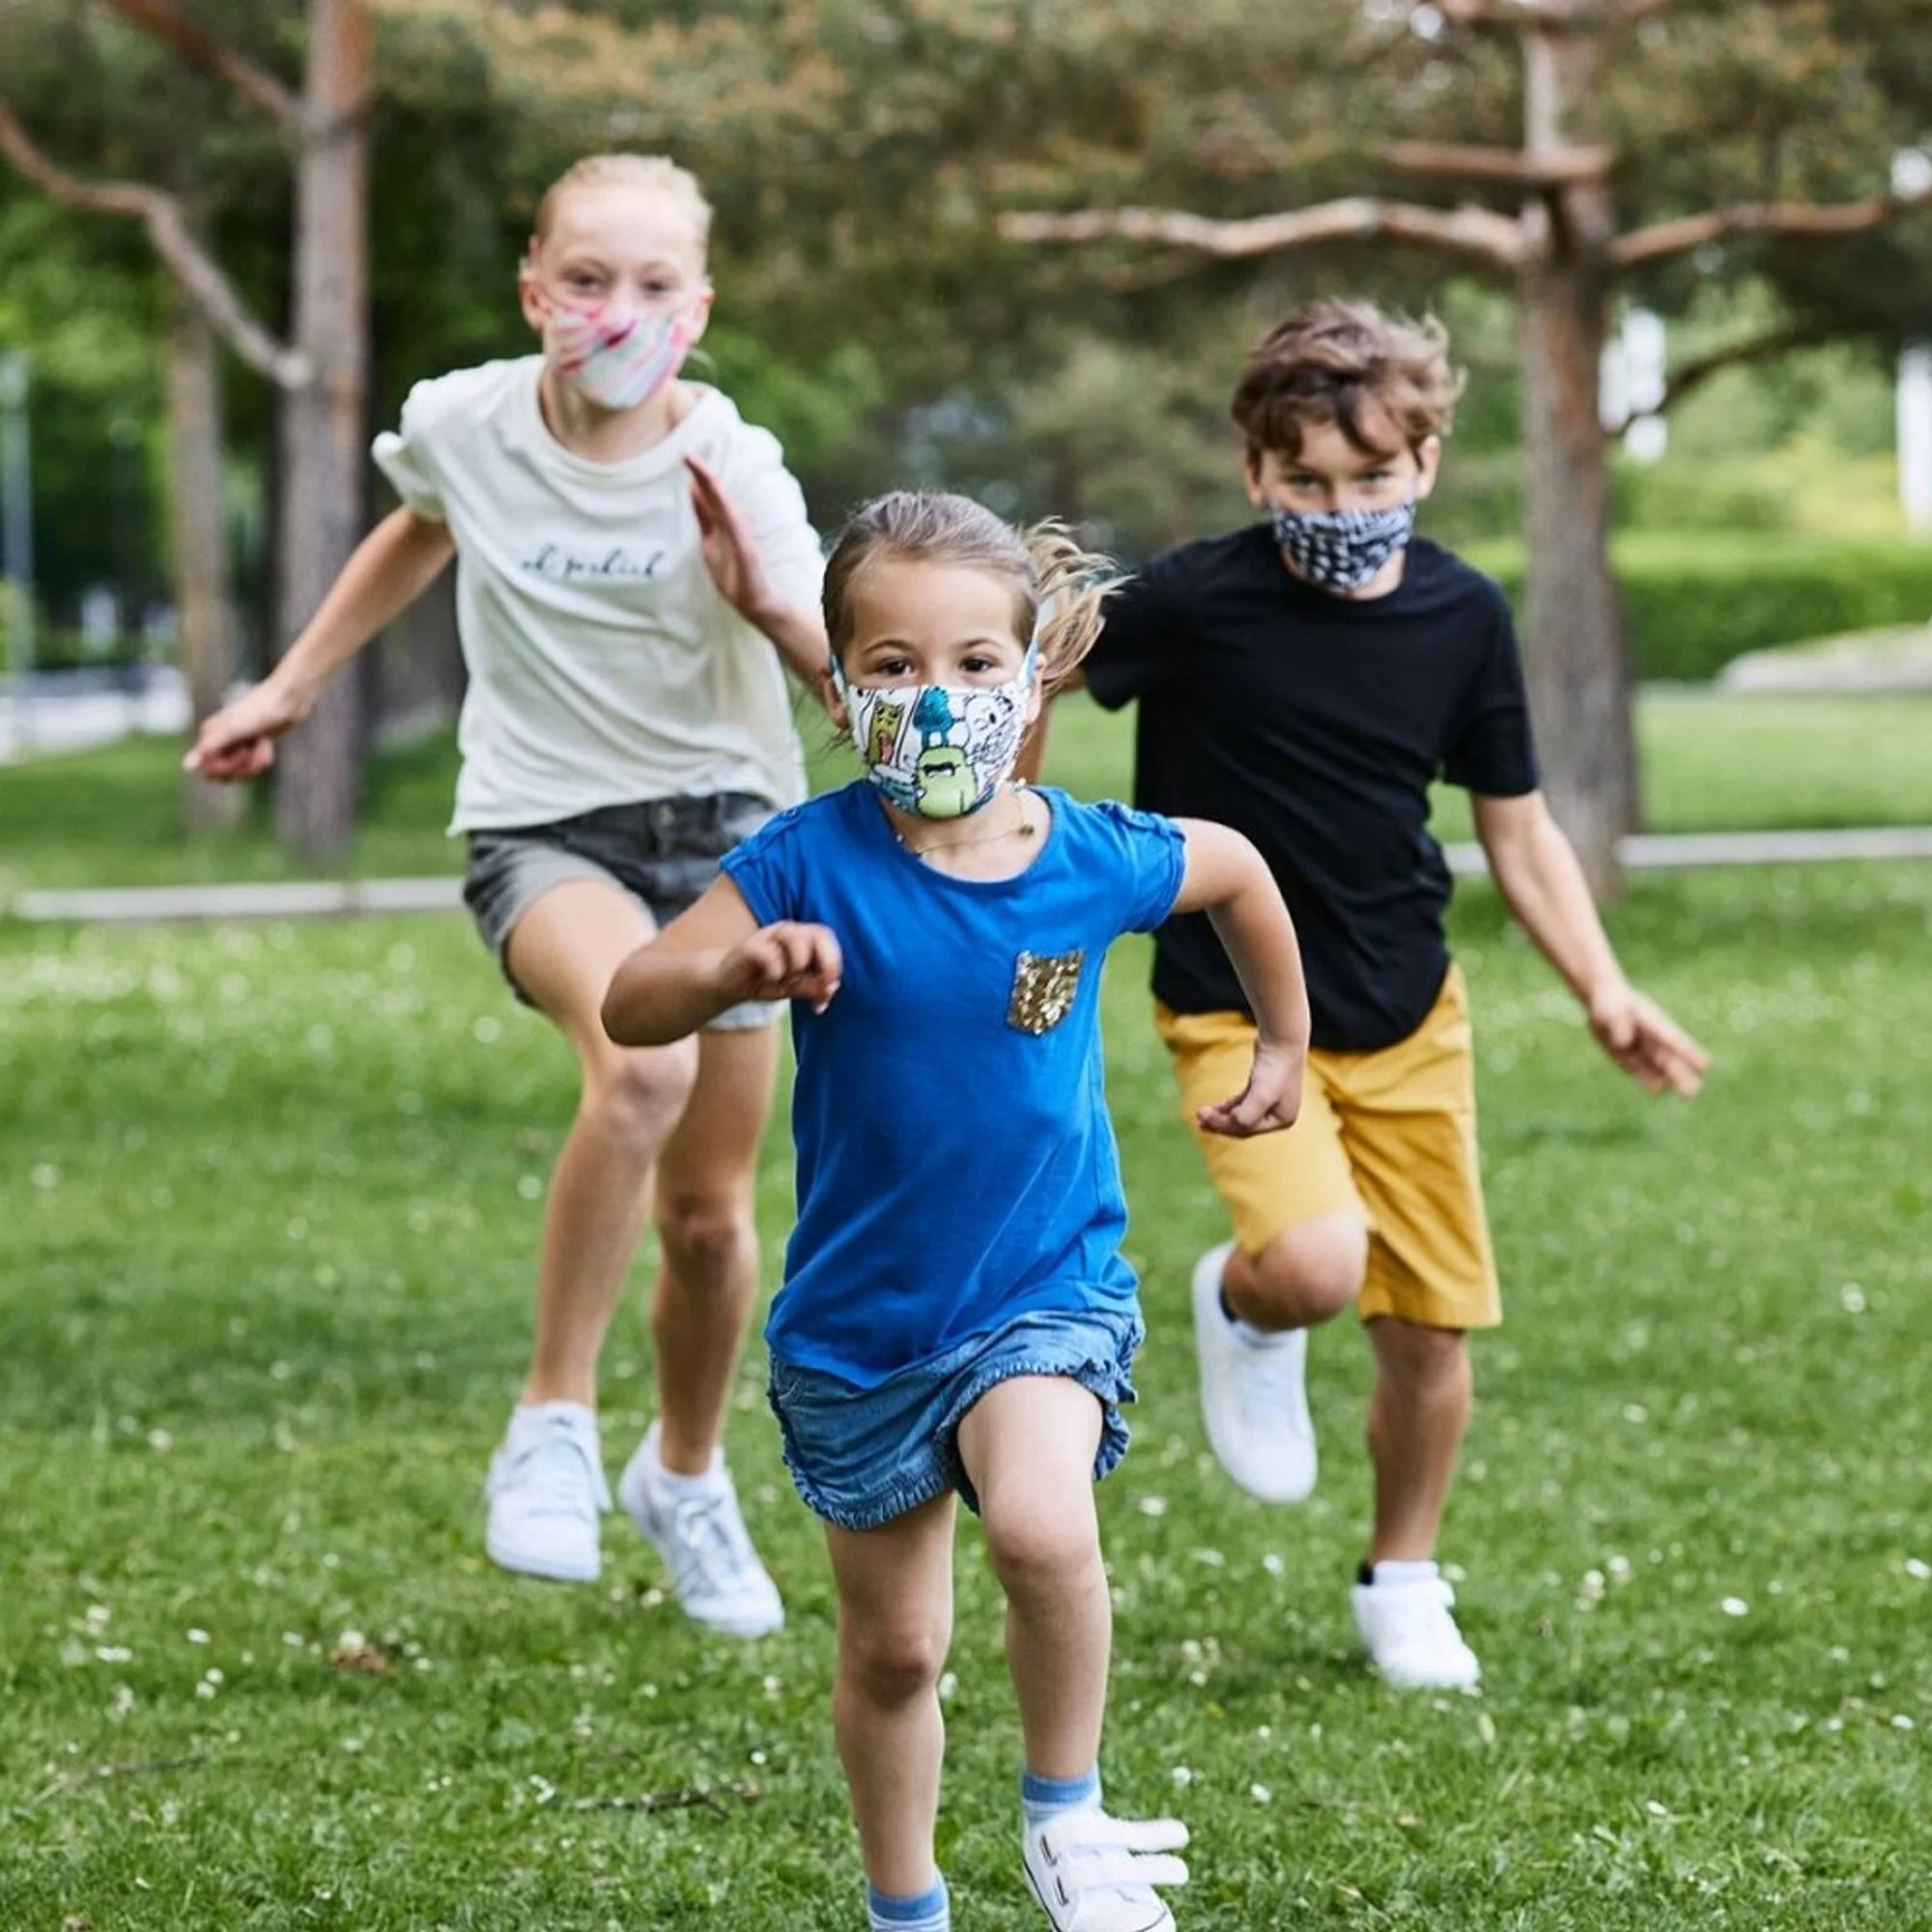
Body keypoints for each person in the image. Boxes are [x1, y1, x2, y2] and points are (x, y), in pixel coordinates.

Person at [602, 490, 1311, 1932]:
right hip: (861, 1329)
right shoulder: (803, 860)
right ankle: (905, 1906)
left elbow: (1235, 868)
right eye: (894, 664)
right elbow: (632, 998)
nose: (938, 698)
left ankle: (1067, 1817)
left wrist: (1284, 1041)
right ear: (839, 688)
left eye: (976, 663)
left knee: (1043, 1530)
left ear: (1032, 676)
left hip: (1043, 1291)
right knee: (895, 1654)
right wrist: (733, 972)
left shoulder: (1084, 856)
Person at [185, 154, 831, 1637]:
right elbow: (422, 520)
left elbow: (837, 672)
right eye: (587, 281)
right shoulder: (463, 421)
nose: (618, 312)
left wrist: (761, 601)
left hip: (733, 839)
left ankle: (684, 1475)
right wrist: (288, 687)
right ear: (536, 292)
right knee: (643, 1069)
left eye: (654, 286)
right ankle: (551, 1424)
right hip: (545, 829)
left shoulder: (735, 461)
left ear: (698, 309)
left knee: (711, 1224)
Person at [1065, 298, 1710, 1691]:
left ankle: (1403, 1578)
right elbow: (1029, 667)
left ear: (1425, 461)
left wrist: (1603, 987)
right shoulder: (1195, 601)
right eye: (1305, 482)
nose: (1341, 509)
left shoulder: (1463, 614)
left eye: (1372, 477)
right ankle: (1249, 1307)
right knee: (1313, 1265)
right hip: (1235, 1003)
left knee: (1428, 1326)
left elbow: (1517, 830)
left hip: (1410, 1006)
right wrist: (1000, 848)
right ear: (1257, 472)